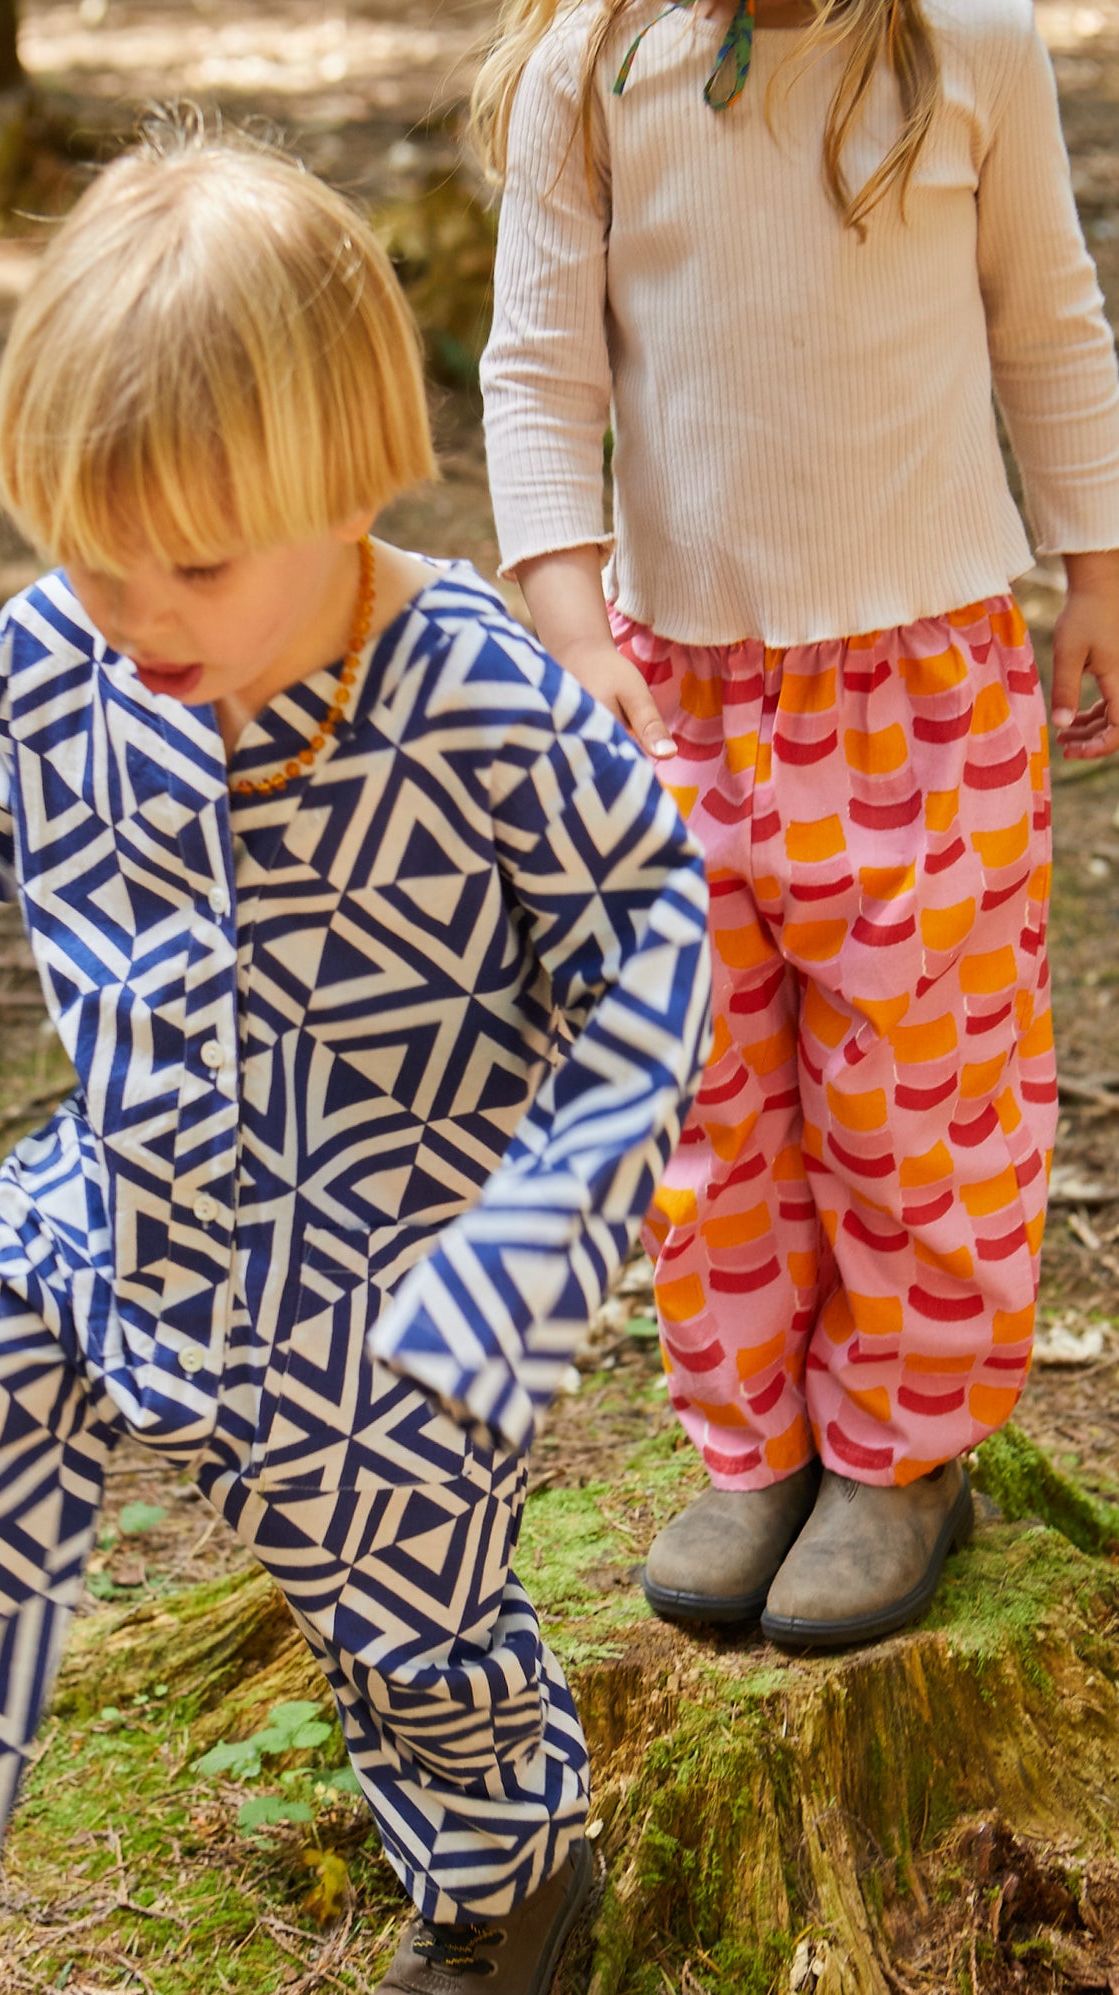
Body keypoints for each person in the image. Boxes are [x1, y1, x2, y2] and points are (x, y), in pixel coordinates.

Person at [0, 129, 711, 1995]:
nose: (136, 608)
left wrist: (540, 1227)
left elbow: (651, 939)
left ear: (346, 478)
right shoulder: (66, 656)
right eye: (88, 552)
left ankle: (504, 1867)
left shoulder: (469, 686)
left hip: (393, 1258)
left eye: (197, 563)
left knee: (392, 1579)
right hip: (119, 1192)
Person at [475, 0, 1119, 1648]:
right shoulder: (597, 69)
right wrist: (567, 634)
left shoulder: (965, 49)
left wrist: (1097, 571)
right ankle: (754, 1443)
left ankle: (899, 1453)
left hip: (922, 682)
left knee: (923, 1096)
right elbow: (538, 373)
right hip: (670, 692)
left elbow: (1046, 319)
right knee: (711, 1097)